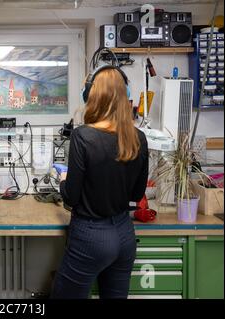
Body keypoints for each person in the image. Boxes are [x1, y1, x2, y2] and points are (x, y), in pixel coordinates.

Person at [51, 66, 149, 299]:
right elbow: (137, 194)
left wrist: (63, 179)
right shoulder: (139, 138)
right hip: (125, 235)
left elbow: (71, 197)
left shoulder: (83, 136)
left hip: (91, 237)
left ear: (93, 96)